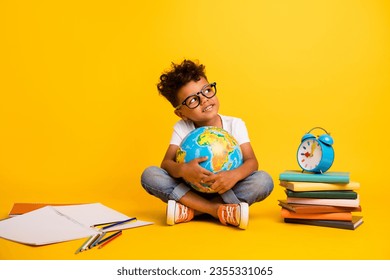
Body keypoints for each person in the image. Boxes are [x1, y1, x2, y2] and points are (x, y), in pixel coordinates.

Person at [141, 59, 273, 229]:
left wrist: (234, 176)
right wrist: (183, 170)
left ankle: (192, 210)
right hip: (190, 189)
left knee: (263, 180)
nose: (204, 100)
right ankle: (216, 210)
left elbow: (251, 162)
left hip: (226, 189)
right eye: (193, 100)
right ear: (181, 113)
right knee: (150, 175)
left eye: (207, 90)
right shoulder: (182, 127)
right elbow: (166, 164)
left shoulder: (235, 124)